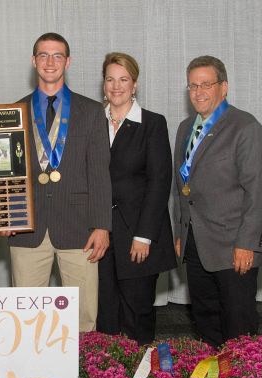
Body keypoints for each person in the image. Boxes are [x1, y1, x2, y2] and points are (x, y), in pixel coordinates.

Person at [9, 32, 112, 333]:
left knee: (83, 318)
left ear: (68, 62)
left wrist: (102, 226)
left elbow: (99, 172)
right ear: (33, 61)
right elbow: (8, 175)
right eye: (43, 55)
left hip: (80, 229)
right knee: (26, 320)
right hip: (26, 228)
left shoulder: (92, 112)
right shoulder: (13, 111)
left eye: (57, 56)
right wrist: (5, 215)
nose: (50, 62)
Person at [173, 55, 262, 347]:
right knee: (205, 317)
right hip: (196, 242)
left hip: (234, 244)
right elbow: (180, 187)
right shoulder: (184, 128)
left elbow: (259, 191)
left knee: (238, 322)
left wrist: (247, 242)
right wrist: (181, 233)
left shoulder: (245, 127)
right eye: (192, 86)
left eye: (206, 84)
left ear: (224, 87)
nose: (199, 92)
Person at [96, 52, 176, 345]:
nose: (116, 86)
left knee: (137, 312)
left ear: (135, 84)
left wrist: (144, 236)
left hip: (138, 236)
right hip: (101, 233)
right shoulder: (92, 120)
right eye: (110, 79)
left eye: (123, 79)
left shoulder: (153, 123)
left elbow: (159, 182)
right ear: (103, 83)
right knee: (105, 314)